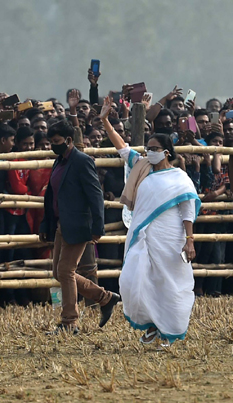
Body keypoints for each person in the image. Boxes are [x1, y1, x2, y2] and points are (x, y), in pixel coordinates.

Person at [100, 96, 200, 346]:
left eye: (154, 149)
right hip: (142, 235)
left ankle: (167, 329)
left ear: (166, 152)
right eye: (148, 149)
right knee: (134, 280)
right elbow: (122, 146)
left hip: (170, 237)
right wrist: (104, 120)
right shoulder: (141, 166)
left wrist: (189, 241)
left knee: (167, 283)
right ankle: (151, 324)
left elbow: (187, 210)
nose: (149, 152)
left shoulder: (180, 178)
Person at [40, 119, 120, 335]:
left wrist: (97, 226)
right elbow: (52, 196)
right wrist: (46, 224)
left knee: (66, 271)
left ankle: (69, 322)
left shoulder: (81, 161)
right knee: (59, 272)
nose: (52, 146)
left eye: (56, 141)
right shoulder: (60, 162)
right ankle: (105, 297)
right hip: (60, 224)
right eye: (50, 142)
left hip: (78, 224)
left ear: (68, 140)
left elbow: (95, 194)